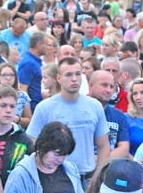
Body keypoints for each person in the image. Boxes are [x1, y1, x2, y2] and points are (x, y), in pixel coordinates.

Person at [27, 57, 109, 185]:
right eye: (69, 75)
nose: (74, 79)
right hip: (56, 178)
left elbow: (103, 145)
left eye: (78, 74)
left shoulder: (95, 106)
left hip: (88, 178)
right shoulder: (45, 107)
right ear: (58, 78)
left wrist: (99, 176)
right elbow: (32, 141)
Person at [4, 121, 83, 193]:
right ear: (43, 147)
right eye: (56, 154)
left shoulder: (71, 169)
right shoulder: (20, 174)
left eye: (64, 155)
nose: (60, 160)